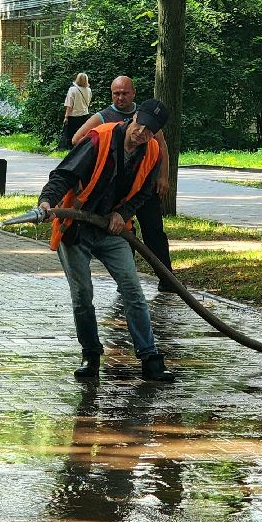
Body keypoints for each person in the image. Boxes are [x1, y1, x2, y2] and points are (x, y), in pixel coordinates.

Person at [38, 98, 176, 383]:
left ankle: (150, 359)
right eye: (141, 125)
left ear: (157, 133)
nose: (142, 133)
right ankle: (91, 355)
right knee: (82, 295)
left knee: (133, 290)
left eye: (150, 131)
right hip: (76, 224)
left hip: (113, 230)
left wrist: (122, 213)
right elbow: (64, 174)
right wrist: (46, 202)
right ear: (134, 117)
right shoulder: (99, 138)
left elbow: (145, 193)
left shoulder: (151, 152)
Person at [71, 75, 175, 290]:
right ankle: (126, 281)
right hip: (117, 189)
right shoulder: (103, 118)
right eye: (116, 93)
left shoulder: (149, 117)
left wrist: (163, 177)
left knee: (154, 229)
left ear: (133, 94)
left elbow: (162, 147)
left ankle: (167, 279)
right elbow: (77, 140)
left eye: (125, 93)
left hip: (144, 184)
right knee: (124, 230)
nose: (120, 97)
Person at [61, 72, 93, 148]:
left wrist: (66, 117)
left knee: (72, 138)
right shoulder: (88, 90)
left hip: (74, 117)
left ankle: (72, 153)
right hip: (85, 116)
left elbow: (69, 105)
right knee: (82, 136)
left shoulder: (72, 90)